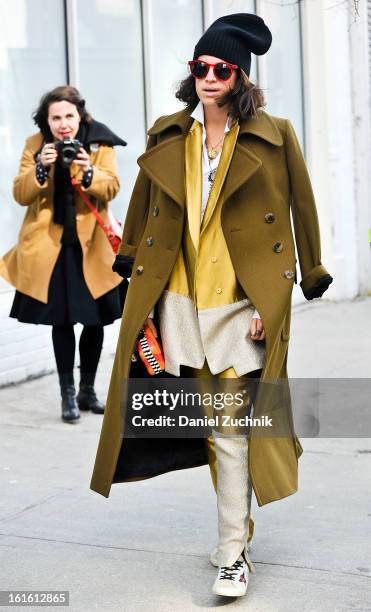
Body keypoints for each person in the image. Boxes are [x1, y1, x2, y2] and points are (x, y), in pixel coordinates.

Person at [90, 13, 333, 598]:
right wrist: (134, 288)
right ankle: (235, 531)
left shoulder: (275, 135)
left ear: (241, 77)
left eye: (221, 68)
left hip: (239, 303)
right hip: (175, 300)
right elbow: (147, 212)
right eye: (200, 66)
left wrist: (295, 282)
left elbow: (301, 207)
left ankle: (231, 552)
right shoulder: (168, 133)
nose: (208, 76)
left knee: (230, 429)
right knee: (203, 427)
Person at [0, 86, 127, 424]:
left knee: (96, 320)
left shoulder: (99, 142)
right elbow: (20, 194)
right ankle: (67, 394)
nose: (63, 124)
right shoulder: (35, 145)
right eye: (55, 118)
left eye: (68, 116)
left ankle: (87, 389)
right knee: (61, 321)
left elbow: (112, 185)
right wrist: (40, 168)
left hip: (92, 247)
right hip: (53, 246)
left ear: (80, 116)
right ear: (47, 121)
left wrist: (87, 171)